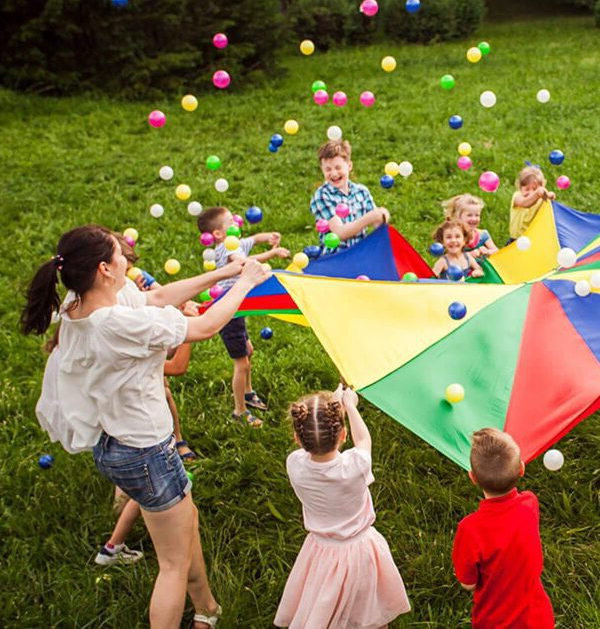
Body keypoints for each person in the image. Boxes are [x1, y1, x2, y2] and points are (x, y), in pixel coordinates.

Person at [23, 225, 272, 628]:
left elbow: (154, 297)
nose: (127, 258)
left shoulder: (80, 302)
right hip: (146, 453)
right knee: (172, 564)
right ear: (105, 269)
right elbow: (205, 328)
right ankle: (194, 611)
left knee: (185, 524)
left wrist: (222, 274)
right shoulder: (116, 325)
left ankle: (207, 610)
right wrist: (243, 284)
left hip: (116, 444)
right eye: (120, 254)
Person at [274, 386, 410, 628]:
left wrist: (334, 409)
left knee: (327, 606)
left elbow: (317, 443)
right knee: (371, 609)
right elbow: (364, 440)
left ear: (297, 438)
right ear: (343, 435)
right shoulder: (355, 465)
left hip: (322, 550)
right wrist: (350, 407)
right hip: (361, 550)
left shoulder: (295, 464)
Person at [196, 206, 290, 427]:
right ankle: (239, 410)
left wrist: (270, 243)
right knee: (241, 363)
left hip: (238, 310)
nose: (236, 223)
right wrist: (261, 270)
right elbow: (241, 260)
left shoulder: (235, 242)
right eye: (230, 221)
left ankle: (248, 392)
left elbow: (253, 242)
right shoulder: (224, 250)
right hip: (228, 313)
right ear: (218, 234)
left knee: (249, 351)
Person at [452, 428, 555, 628]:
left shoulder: (470, 529)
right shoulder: (530, 503)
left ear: (472, 477)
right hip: (537, 618)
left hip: (494, 622)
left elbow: (468, 583)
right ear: (522, 469)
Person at [310, 139, 391, 253]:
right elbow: (339, 233)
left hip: (360, 256)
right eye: (328, 169)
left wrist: (383, 217)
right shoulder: (322, 196)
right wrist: (370, 217)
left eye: (338, 168)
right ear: (322, 170)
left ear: (349, 166)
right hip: (334, 260)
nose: (333, 173)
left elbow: (377, 222)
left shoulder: (362, 192)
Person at [444, 193, 498, 258]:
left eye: (477, 215)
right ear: (457, 217)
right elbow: (450, 258)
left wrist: (488, 252)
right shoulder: (454, 238)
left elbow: (497, 251)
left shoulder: (482, 235)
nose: (474, 219)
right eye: (469, 215)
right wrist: (468, 255)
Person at [510, 165, 555, 240]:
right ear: (520, 188)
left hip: (532, 239)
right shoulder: (517, 197)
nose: (531, 192)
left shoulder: (540, 200)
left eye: (534, 189)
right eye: (527, 189)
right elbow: (525, 203)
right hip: (516, 240)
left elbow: (551, 197)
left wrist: (549, 195)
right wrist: (537, 193)